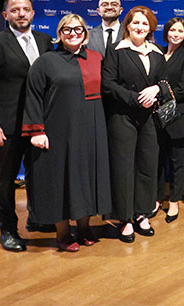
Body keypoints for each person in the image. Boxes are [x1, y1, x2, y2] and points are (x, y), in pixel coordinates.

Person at [21, 14, 111, 251]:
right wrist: (36, 131)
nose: (73, 33)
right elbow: (33, 97)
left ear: (85, 33)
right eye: (67, 30)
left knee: (86, 177)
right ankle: (63, 233)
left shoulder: (96, 58)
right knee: (60, 179)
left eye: (78, 29)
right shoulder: (45, 61)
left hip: (91, 130)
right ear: (60, 34)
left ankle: (84, 228)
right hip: (57, 131)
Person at [0, 0, 53, 252]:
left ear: (32, 13)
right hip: (6, 127)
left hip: (38, 124)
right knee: (5, 180)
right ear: (6, 15)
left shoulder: (44, 41)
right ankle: (8, 230)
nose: (21, 14)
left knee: (38, 174)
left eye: (26, 9)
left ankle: (38, 218)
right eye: (15, 10)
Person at [102, 6, 167, 242]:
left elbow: (164, 81)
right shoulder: (116, 51)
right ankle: (125, 218)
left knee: (147, 166)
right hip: (122, 117)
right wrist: (136, 98)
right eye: (135, 23)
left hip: (149, 118)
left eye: (145, 23)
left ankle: (142, 213)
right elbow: (108, 84)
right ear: (127, 25)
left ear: (151, 28)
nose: (140, 27)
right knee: (123, 168)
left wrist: (157, 89)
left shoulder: (157, 52)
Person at [154, 17, 184, 223]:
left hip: (178, 116)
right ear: (167, 32)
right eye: (172, 30)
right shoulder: (157, 53)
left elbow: (183, 89)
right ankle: (157, 198)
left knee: (177, 162)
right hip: (155, 116)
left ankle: (174, 202)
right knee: (158, 160)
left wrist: (160, 92)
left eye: (180, 31)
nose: (176, 34)